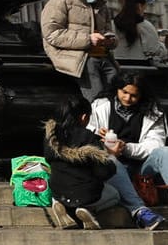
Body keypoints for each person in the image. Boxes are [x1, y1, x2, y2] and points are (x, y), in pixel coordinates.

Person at [88, 72, 168, 230]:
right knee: (110, 159)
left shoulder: (153, 112)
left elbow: (155, 144)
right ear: (117, 89)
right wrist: (104, 144)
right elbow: (87, 135)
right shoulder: (99, 106)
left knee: (167, 152)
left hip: (141, 169)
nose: (128, 99)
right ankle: (140, 212)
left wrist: (125, 147)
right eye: (124, 92)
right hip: (111, 169)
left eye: (134, 95)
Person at [42, 95, 128, 230]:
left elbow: (48, 159)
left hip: (59, 190)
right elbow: (104, 172)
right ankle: (87, 209)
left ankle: (61, 205)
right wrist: (111, 155)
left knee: (62, 189)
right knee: (114, 195)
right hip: (85, 194)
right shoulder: (88, 137)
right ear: (83, 117)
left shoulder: (52, 137)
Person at [40, 0, 119, 100]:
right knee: (97, 100)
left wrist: (110, 40)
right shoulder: (61, 0)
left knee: (118, 92)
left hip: (103, 56)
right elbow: (52, 34)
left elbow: (108, 30)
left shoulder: (101, 5)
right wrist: (88, 39)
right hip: (78, 58)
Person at [113, 0, 168, 64]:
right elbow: (154, 51)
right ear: (140, 6)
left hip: (118, 65)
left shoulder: (113, 24)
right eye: (144, 8)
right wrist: (162, 45)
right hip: (141, 67)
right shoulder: (145, 26)